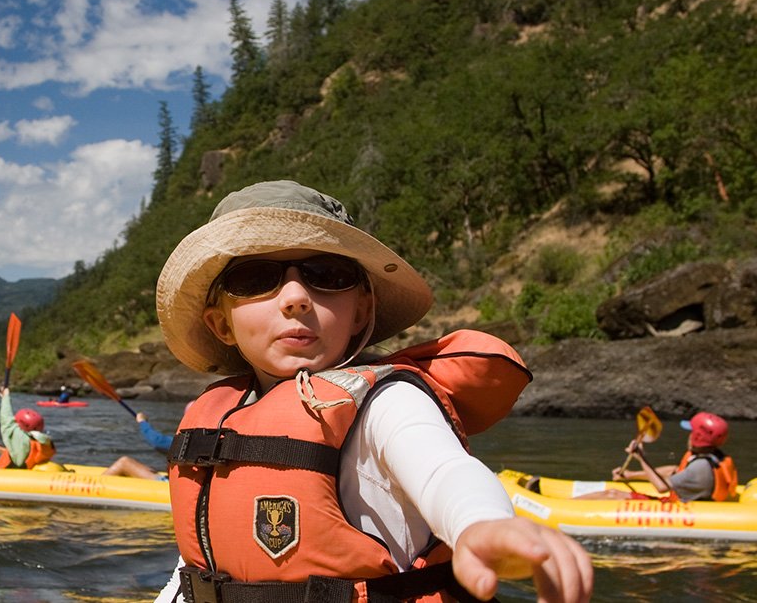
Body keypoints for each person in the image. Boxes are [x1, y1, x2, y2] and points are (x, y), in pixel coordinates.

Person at [152, 181, 592, 602]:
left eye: (326, 273)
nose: (295, 297)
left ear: (361, 310)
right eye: (254, 278)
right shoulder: (217, 416)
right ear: (221, 324)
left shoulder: (388, 403)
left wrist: (482, 525)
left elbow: (445, 473)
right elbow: (194, 573)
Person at [581, 411, 738, 502]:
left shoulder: (700, 467)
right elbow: (674, 470)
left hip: (682, 509)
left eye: (691, 432)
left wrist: (641, 458)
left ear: (698, 437)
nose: (689, 435)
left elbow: (662, 487)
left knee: (612, 494)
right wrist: (631, 475)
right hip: (687, 501)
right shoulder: (712, 457)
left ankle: (559, 509)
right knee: (614, 492)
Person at [102, 407, 182, 480]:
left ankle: (96, 486)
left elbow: (157, 441)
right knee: (148, 469)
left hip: (169, 486)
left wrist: (142, 422)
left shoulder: (186, 442)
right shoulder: (191, 440)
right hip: (177, 483)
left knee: (124, 463)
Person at [0, 387, 55, 469]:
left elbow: (6, 417)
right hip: (28, 473)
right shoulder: (43, 442)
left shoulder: (18, 436)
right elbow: (17, 452)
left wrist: (5, 397)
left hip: (10, 476)